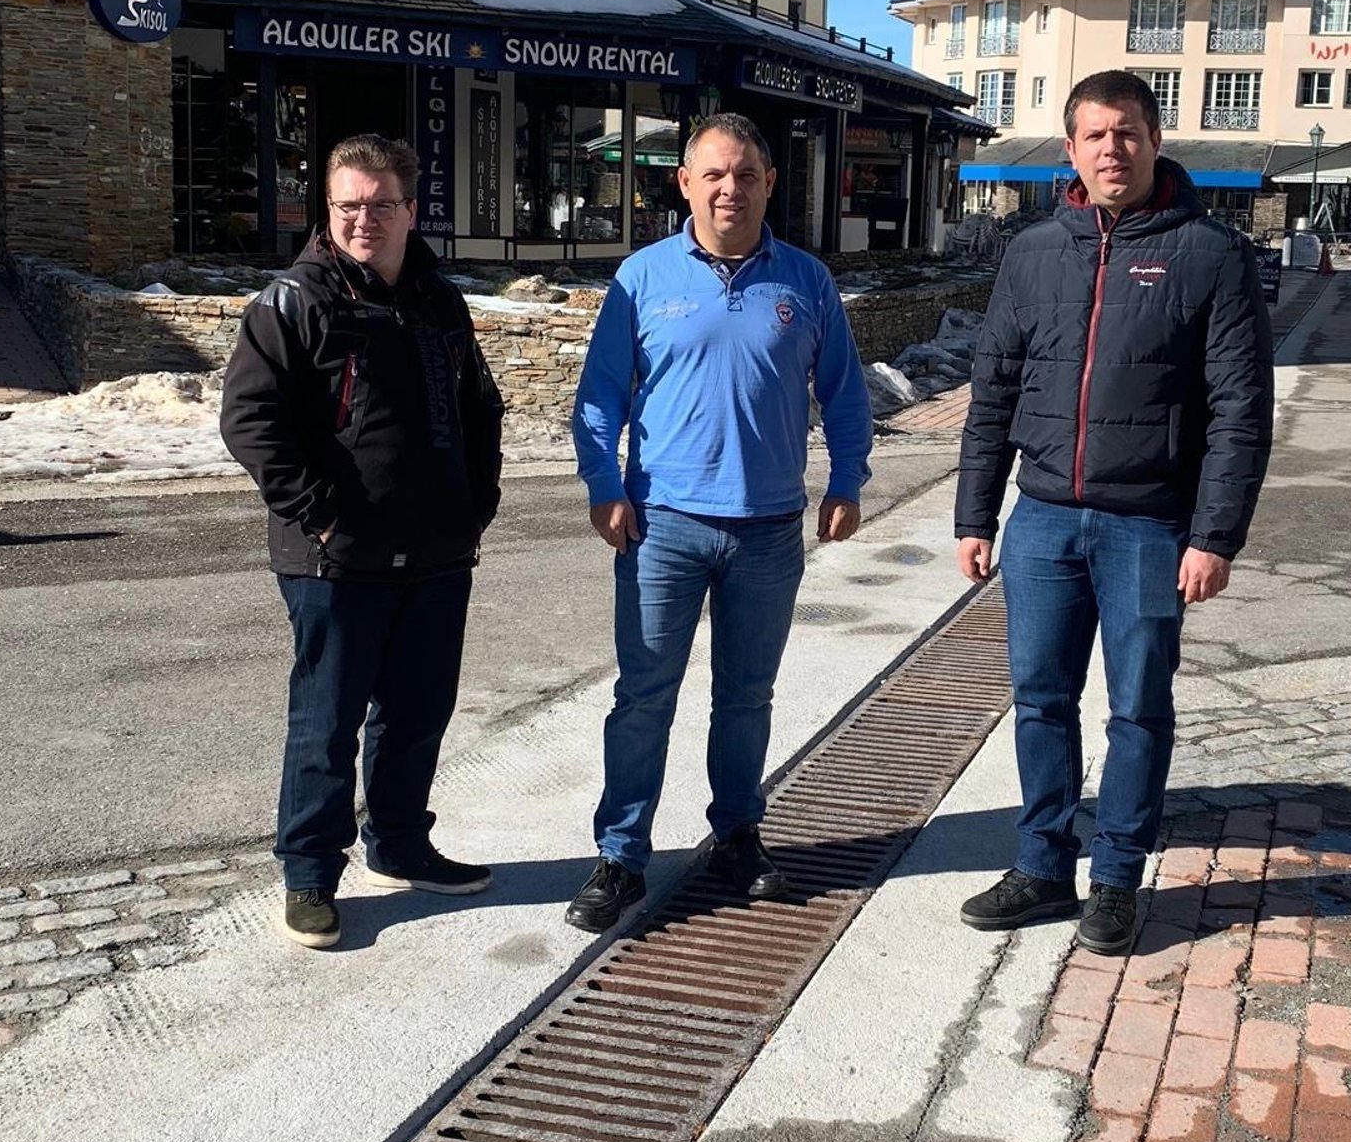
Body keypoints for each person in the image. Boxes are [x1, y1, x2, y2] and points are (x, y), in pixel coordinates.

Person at [955, 70, 1273, 955]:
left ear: (1155, 140)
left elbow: (1241, 409)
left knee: (1137, 709)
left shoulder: (1209, 254)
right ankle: (1041, 867)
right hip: (1043, 521)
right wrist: (975, 515)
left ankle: (1118, 879)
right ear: (1070, 149)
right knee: (1039, 700)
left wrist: (1214, 535)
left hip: (1149, 525)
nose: (1111, 149)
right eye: (1094, 135)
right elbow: (993, 391)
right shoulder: (1033, 252)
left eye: (1126, 132)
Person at [567, 113, 873, 932]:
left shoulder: (805, 281)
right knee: (643, 698)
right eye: (713, 174)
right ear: (685, 184)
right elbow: (599, 398)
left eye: (744, 174)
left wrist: (847, 480)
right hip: (660, 526)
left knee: (746, 698)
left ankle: (737, 835)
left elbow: (845, 395)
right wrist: (603, 484)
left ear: (769, 183)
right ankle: (621, 856)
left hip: (767, 529)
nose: (729, 188)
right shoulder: (642, 278)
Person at [221, 133, 504, 949]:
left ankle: (401, 844)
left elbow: (479, 408)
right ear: (328, 209)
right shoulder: (293, 301)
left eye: (381, 205)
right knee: (327, 721)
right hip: (334, 558)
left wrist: (473, 503)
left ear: (411, 211)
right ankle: (310, 875)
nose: (362, 219)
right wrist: (318, 512)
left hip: (437, 551)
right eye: (347, 205)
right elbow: (249, 420)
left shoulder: (438, 301)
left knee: (417, 713)